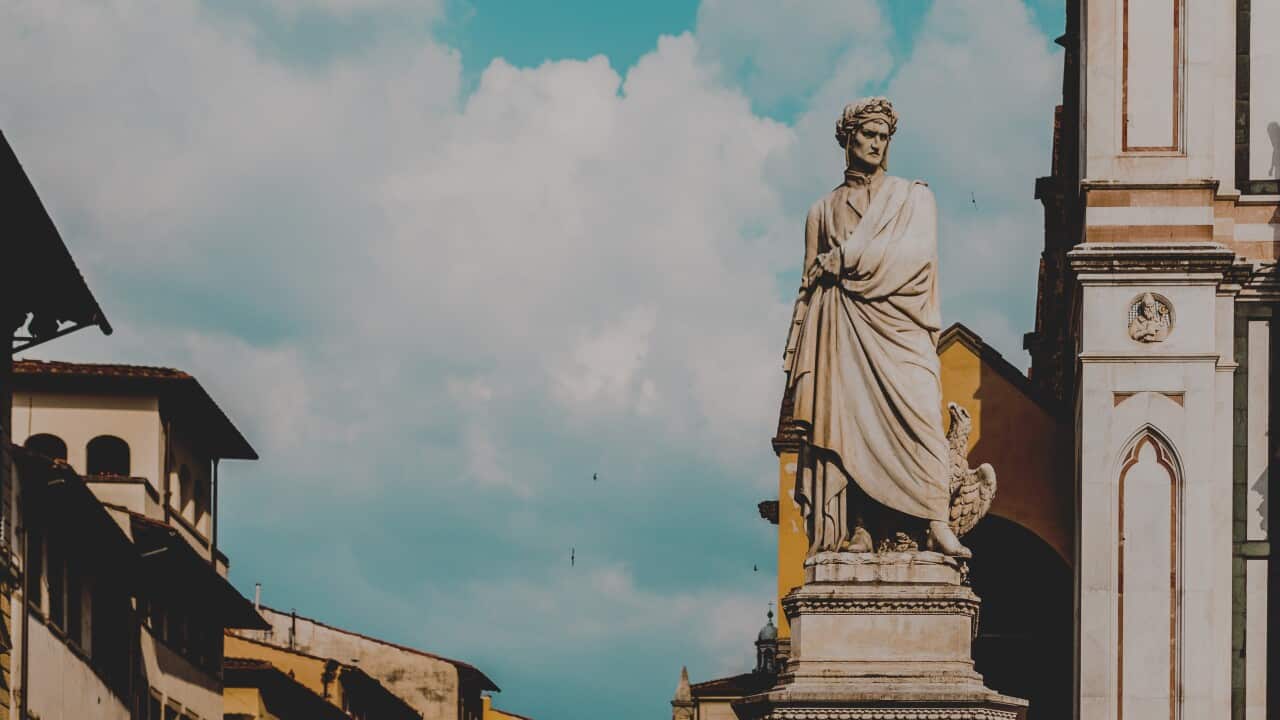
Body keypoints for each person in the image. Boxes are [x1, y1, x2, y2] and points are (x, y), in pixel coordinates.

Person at [783, 97, 969, 558]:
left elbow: (918, 257)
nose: (876, 144)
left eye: (883, 137)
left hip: (901, 327)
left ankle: (935, 519)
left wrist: (844, 259)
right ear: (848, 138)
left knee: (923, 413)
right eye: (868, 134)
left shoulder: (913, 198)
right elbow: (807, 284)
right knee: (848, 425)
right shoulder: (821, 212)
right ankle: (859, 528)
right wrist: (796, 356)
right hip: (843, 329)